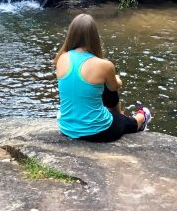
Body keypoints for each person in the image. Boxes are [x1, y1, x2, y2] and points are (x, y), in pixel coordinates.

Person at [54, 13, 152, 142]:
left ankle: (118, 115)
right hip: (97, 132)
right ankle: (143, 117)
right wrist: (116, 78)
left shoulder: (61, 58)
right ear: (94, 37)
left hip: (66, 128)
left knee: (99, 86)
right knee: (123, 120)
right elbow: (115, 87)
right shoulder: (104, 65)